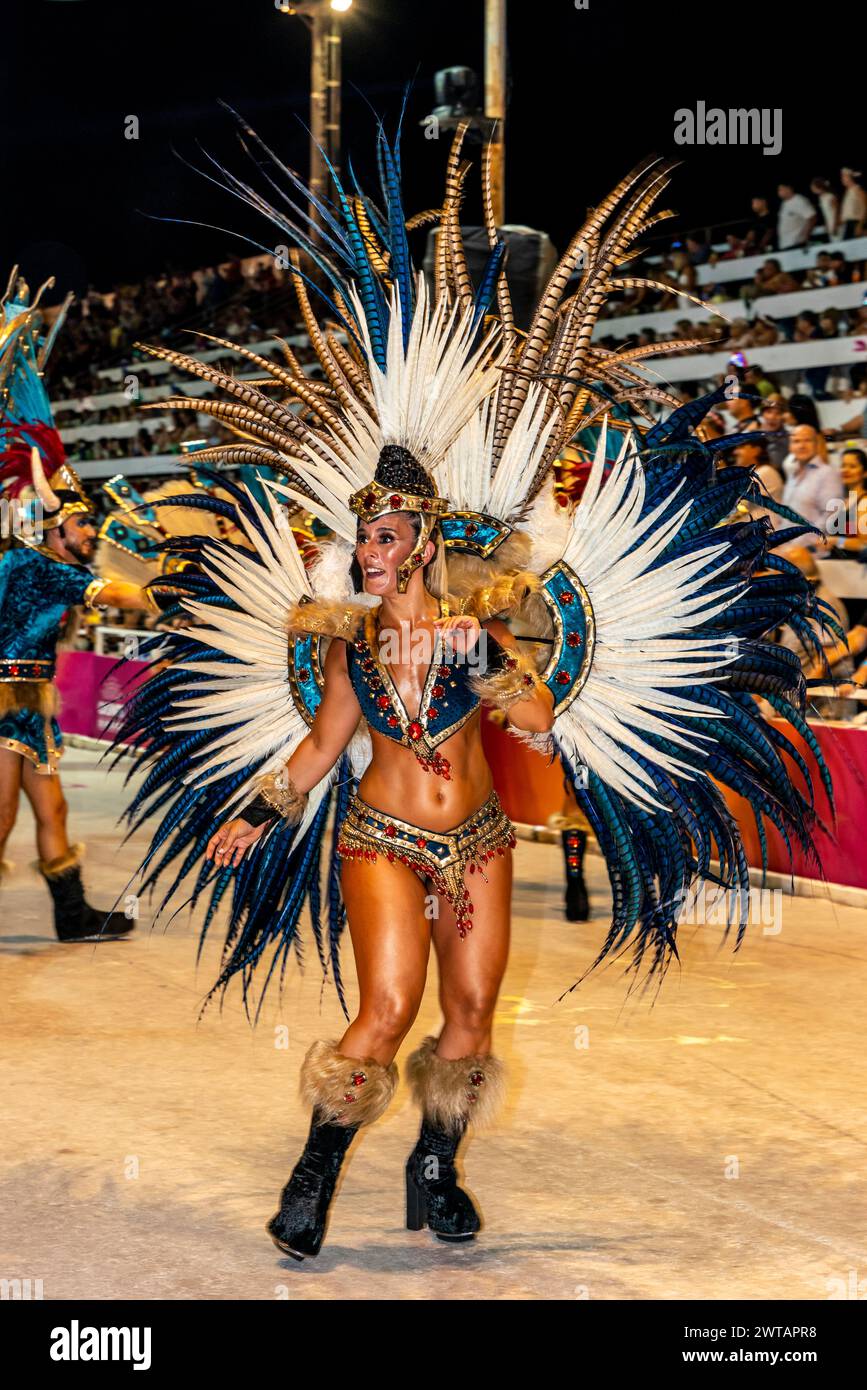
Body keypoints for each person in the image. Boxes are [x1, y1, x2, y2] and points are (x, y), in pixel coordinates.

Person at [113, 126, 833, 1263]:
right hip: (380, 837)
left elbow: (540, 719)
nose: (374, 548)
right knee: (386, 1014)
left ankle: (435, 1168)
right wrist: (258, 810)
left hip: (486, 840)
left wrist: (516, 678)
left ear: (424, 539)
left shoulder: (477, 630)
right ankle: (313, 1172)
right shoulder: (347, 648)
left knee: (469, 1021)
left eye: (390, 533)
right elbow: (318, 754)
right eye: (364, 535)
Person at [0, 276, 175, 939]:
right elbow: (110, 592)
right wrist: (156, 593)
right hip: (5, 698)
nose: (91, 537)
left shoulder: (41, 563)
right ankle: (71, 915)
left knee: (52, 810)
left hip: (28, 698)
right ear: (55, 528)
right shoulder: (34, 565)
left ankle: (72, 916)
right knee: (4, 818)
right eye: (84, 529)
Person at [781, 425, 841, 532]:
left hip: (808, 547)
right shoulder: (792, 472)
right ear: (790, 447)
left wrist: (806, 546)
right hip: (784, 545)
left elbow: (831, 517)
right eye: (796, 441)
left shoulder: (827, 473)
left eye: (807, 440)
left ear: (816, 444)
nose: (802, 446)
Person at [776, 183, 817, 250]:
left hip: (797, 243)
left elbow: (812, 218)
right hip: (785, 244)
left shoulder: (799, 200)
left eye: (781, 190)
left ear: (789, 189)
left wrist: (806, 237)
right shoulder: (784, 203)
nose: (779, 192)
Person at [839, 168, 867, 239]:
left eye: (844, 176)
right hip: (848, 225)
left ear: (850, 177)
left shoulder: (858, 190)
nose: (842, 179)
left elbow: (866, 208)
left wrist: (860, 225)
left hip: (856, 223)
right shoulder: (848, 191)